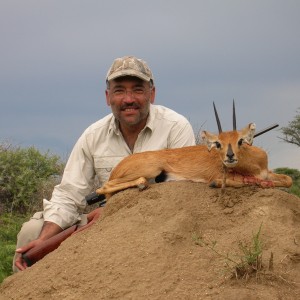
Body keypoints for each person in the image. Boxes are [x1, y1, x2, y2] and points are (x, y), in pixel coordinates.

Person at [14, 55, 196, 272]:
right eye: (119, 90)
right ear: (108, 97)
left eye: (138, 89)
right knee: (31, 231)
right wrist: (44, 240)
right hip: (102, 221)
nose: (129, 99)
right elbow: (68, 196)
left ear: (152, 94)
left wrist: (117, 210)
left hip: (156, 221)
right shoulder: (93, 135)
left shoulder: (175, 127)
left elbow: (181, 191)